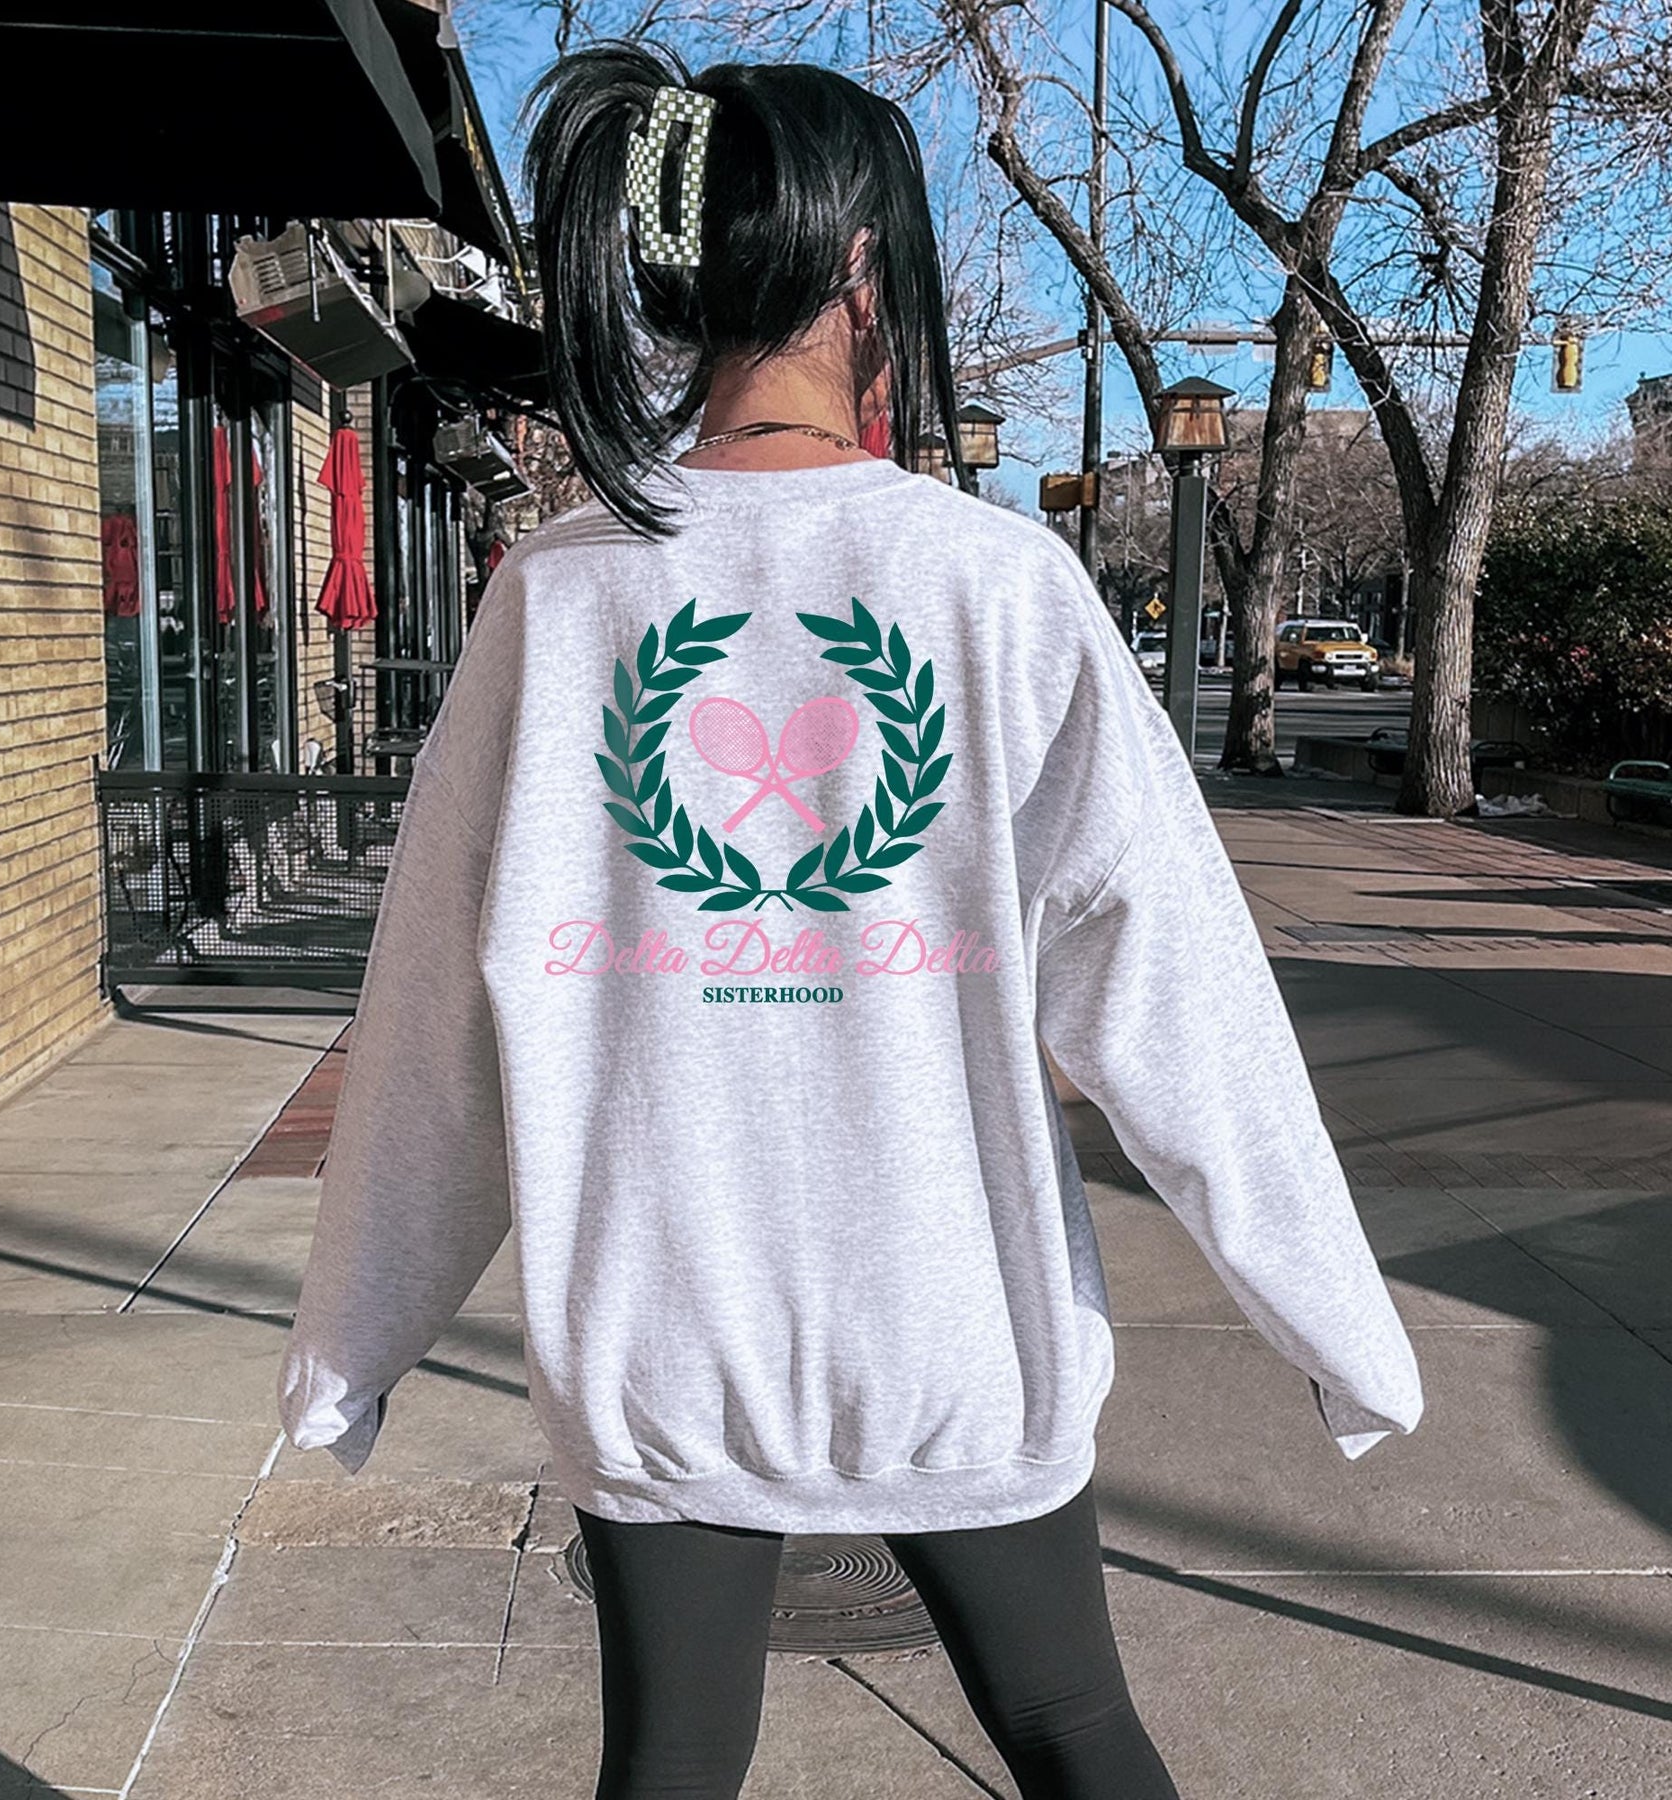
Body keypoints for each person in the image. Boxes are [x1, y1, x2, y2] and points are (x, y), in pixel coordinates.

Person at [277, 38, 1425, 1800]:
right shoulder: (999, 586)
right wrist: (1338, 1326)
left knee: (669, 1761)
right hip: (953, 1332)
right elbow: (1178, 994)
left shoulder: (559, 597)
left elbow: (433, 1014)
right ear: (867, 272)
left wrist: (349, 1353)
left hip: (656, 1340)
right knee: (1072, 1729)